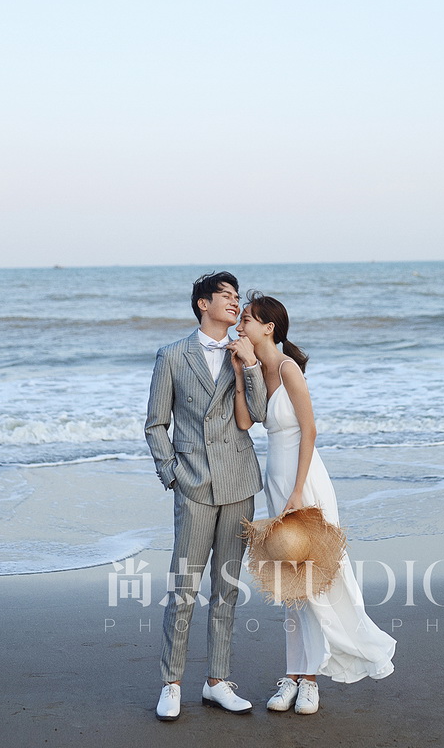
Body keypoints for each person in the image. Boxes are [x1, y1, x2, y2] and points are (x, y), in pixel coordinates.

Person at [232, 291, 396, 715]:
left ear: (268, 328)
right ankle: (293, 674)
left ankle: (310, 681)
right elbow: (246, 422)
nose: (239, 325)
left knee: (318, 582)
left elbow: (310, 430)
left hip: (304, 483)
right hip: (277, 481)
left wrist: (297, 491)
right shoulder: (258, 369)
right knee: (290, 585)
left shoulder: (288, 369)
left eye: (247, 319)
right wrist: (241, 371)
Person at [144, 272, 267, 720]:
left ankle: (217, 681)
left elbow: (259, 414)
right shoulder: (172, 355)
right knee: (184, 589)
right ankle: (171, 683)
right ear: (203, 304)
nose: (235, 303)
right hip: (193, 484)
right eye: (226, 296)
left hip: (238, 483)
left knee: (227, 589)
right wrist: (172, 474)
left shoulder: (244, 352)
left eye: (237, 297)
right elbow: (156, 423)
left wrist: (249, 365)